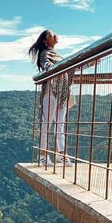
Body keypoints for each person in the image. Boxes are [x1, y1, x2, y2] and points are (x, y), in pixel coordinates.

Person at [29, 29, 75, 166]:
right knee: (47, 123)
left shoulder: (57, 55)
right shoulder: (45, 53)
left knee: (60, 124)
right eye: (51, 35)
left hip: (61, 92)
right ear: (45, 41)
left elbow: (68, 67)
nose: (55, 36)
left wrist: (87, 63)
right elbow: (47, 66)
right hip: (51, 90)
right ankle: (43, 155)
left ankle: (61, 155)